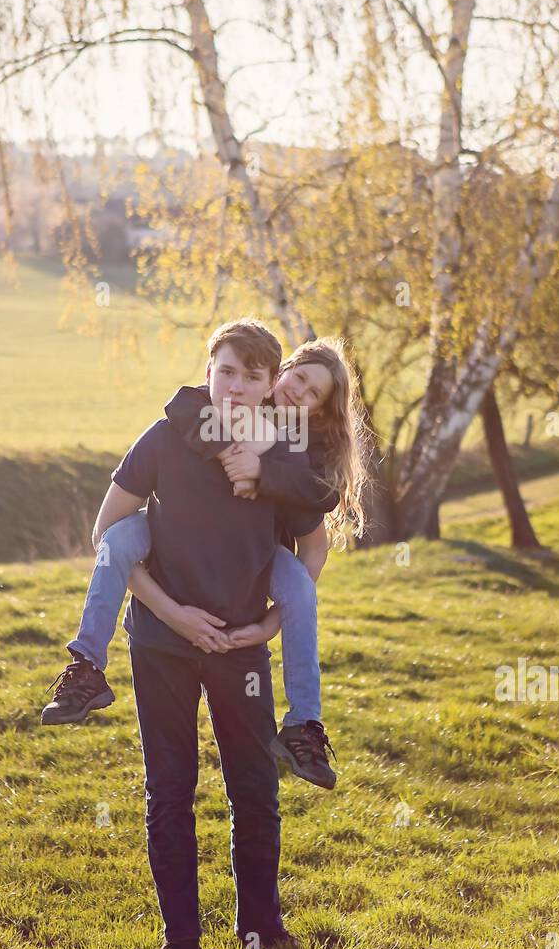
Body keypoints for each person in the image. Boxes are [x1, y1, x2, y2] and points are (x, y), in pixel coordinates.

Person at [49, 318, 327, 949]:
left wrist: (265, 629)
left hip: (239, 651)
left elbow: (312, 546)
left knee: (255, 791)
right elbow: (106, 531)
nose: (234, 386)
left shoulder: (282, 460)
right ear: (208, 371)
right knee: (169, 793)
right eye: (225, 370)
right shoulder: (166, 435)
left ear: (268, 389)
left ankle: (261, 927)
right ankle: (181, 948)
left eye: (252, 376)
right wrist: (171, 613)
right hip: (161, 646)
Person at [42, 333, 370, 791]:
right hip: (165, 533)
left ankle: (304, 725)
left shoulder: (297, 448)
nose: (299, 392)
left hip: (253, 559)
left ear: (319, 410)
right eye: (299, 378)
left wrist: (261, 472)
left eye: (314, 393)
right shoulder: (202, 411)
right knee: (116, 541)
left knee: (296, 586)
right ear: (282, 375)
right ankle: (86, 668)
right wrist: (226, 448)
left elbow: (322, 495)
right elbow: (183, 404)